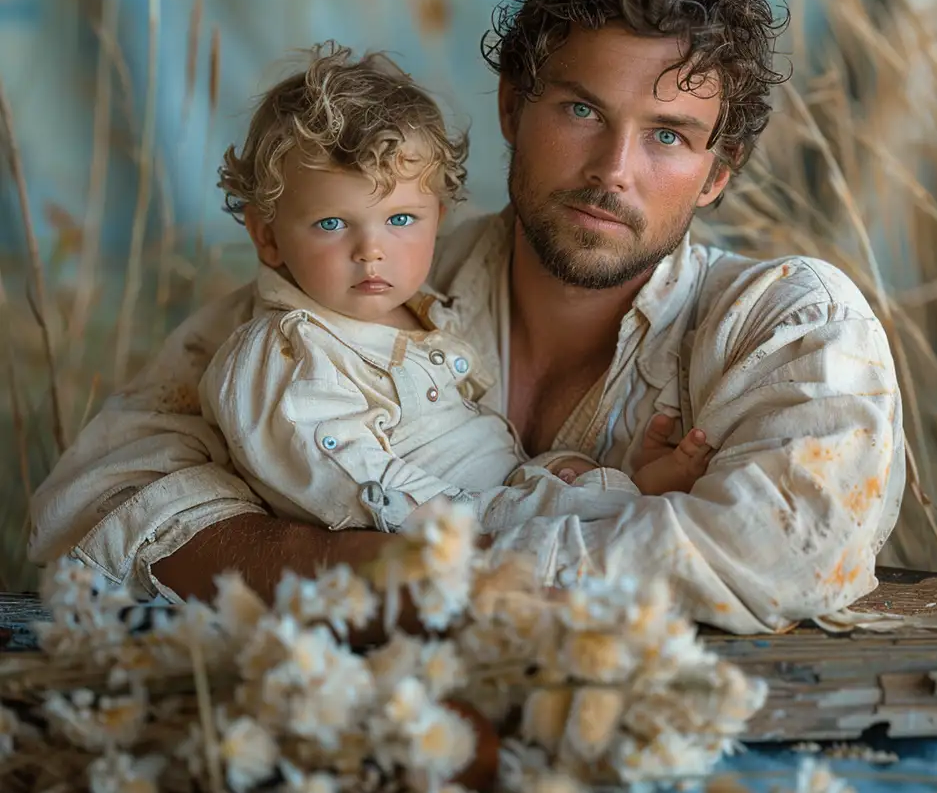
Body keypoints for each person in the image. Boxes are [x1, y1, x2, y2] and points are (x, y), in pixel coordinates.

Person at [31, 0, 901, 634]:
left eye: (667, 134)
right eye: (581, 109)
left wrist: (415, 579)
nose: (613, 170)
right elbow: (99, 497)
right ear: (512, 108)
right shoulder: (377, 270)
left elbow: (785, 557)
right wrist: (335, 564)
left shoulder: (790, 323)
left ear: (718, 172)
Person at [199, 43, 713, 545]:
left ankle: (626, 496)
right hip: (449, 525)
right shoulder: (286, 353)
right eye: (331, 224)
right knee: (577, 515)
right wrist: (481, 526)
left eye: (401, 220)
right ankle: (627, 506)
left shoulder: (421, 308)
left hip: (499, 489)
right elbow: (345, 482)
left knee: (572, 475)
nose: (371, 252)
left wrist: (561, 480)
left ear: (437, 219)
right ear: (266, 236)